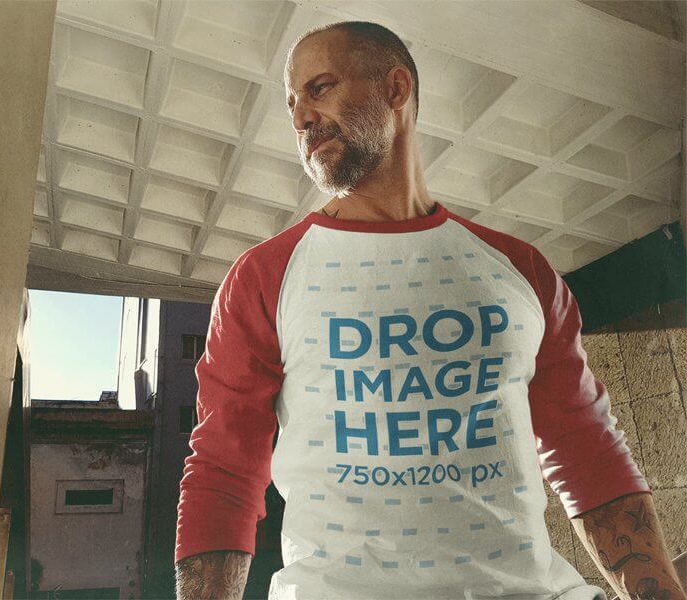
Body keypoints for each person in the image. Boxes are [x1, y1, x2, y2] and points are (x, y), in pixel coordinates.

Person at [173, 21, 686, 600]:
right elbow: (223, 472)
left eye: (320, 88)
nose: (300, 118)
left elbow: (588, 452)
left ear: (395, 89)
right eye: (292, 103)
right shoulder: (263, 277)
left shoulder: (523, 270)